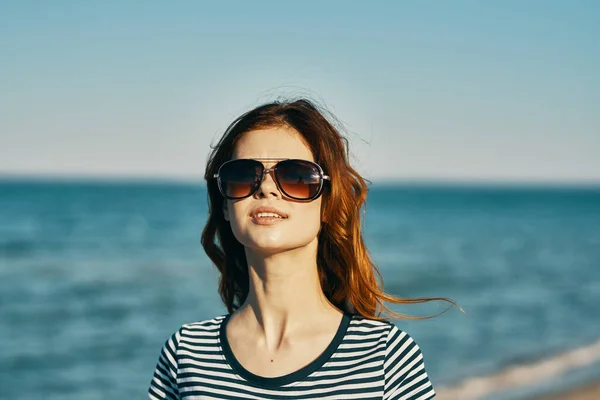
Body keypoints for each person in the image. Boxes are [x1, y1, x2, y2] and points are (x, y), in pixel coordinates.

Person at [148, 98, 450, 399]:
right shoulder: (186, 353)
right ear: (225, 205)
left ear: (328, 203)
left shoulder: (386, 358)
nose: (266, 188)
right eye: (243, 176)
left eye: (296, 176)